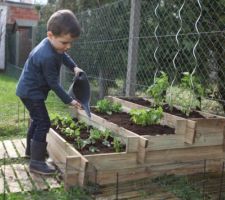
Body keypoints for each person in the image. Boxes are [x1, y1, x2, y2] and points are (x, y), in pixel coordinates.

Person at [16, 9, 83, 175]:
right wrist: (69, 100)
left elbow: (63, 56)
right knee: (44, 122)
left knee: (37, 120)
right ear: (50, 35)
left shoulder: (54, 46)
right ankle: (36, 163)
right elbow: (53, 83)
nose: (68, 47)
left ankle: (31, 152)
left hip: (28, 90)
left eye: (70, 43)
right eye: (64, 42)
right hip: (31, 93)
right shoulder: (46, 56)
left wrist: (73, 67)